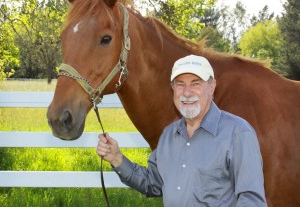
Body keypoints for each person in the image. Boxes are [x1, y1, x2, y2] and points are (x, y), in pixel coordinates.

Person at [96, 55, 267, 206]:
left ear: (212, 86)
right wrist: (117, 158)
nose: (187, 92)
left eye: (195, 83)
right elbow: (152, 184)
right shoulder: (169, 136)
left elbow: (251, 200)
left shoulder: (238, 133)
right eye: (180, 84)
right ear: (173, 88)